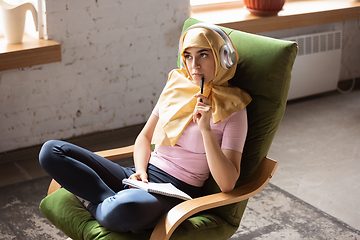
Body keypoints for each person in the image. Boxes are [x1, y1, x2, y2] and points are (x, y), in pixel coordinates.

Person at [39, 23, 252, 233]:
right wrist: (140, 171)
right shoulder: (176, 88)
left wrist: (206, 130)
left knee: (121, 211)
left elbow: (227, 183)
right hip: (144, 175)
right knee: (51, 151)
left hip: (175, 192)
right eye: (188, 56)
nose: (194, 65)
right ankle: (111, 199)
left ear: (224, 58)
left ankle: (100, 201)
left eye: (203, 55)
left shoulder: (234, 109)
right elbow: (144, 137)